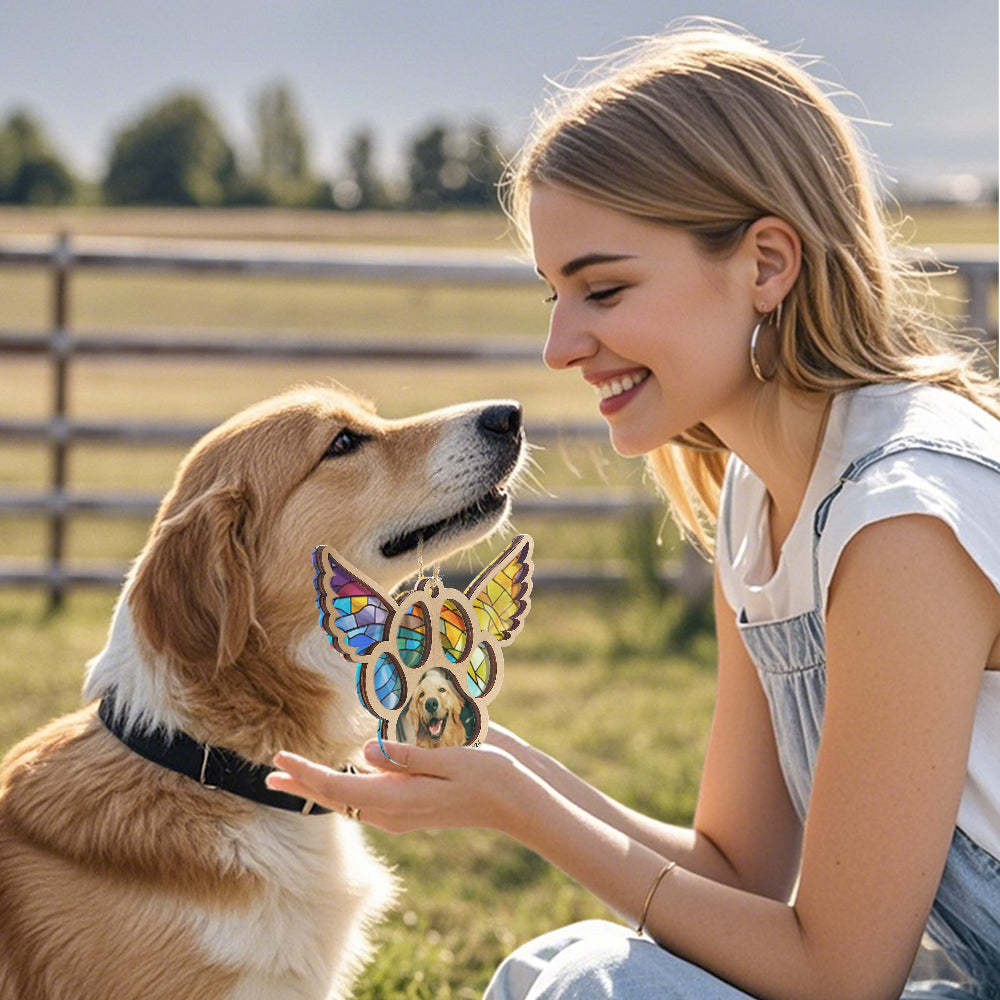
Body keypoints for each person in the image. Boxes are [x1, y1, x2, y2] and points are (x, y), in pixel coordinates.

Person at [266, 17, 1000, 1000]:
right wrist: (497, 767)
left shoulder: (902, 518)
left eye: (602, 289)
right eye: (552, 298)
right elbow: (736, 873)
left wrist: (527, 812)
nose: (562, 347)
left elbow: (837, 974)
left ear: (766, 265)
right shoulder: (761, 500)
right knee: (560, 966)